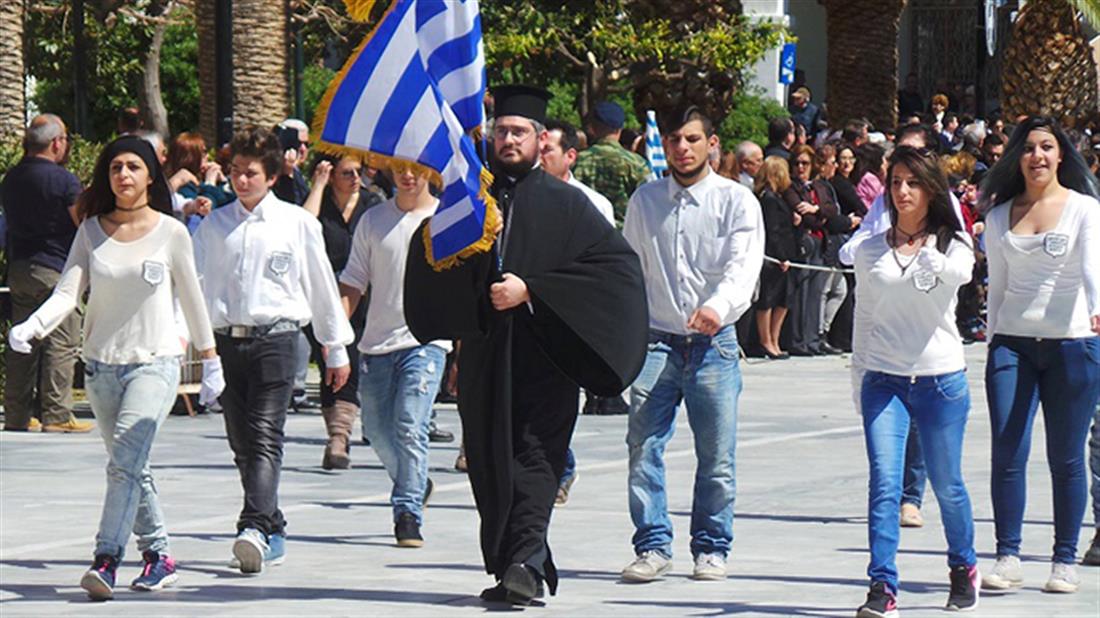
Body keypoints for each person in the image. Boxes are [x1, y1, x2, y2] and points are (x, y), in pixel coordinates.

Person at [404, 84, 648, 605]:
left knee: (537, 458)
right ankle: (517, 562)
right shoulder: (471, 203)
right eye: (501, 131)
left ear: (541, 140)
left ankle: (523, 563)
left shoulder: (569, 205)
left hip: (546, 355)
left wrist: (532, 289)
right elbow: (436, 257)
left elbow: (615, 270)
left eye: (519, 132)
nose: (509, 139)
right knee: (490, 462)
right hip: (485, 356)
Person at [8, 136, 224, 600]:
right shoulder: (90, 231)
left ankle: (105, 558)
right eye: (115, 169)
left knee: (124, 462)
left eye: (133, 167)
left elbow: (192, 296)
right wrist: (33, 325)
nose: (123, 175)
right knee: (130, 465)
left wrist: (211, 361)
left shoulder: (172, 232)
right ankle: (159, 556)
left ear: (150, 176)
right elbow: (69, 292)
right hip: (102, 369)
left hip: (155, 364)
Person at [192, 125, 354, 574]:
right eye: (236, 172)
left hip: (279, 340)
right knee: (242, 442)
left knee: (266, 434)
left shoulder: (297, 223)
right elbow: (198, 287)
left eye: (252, 173)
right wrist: (194, 342)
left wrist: (334, 348)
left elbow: (320, 285)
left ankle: (253, 527)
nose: (243, 181)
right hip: (228, 342)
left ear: (272, 176)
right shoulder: (214, 225)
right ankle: (273, 522)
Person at [620, 105, 763, 583]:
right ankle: (653, 544)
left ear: (712, 144)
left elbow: (743, 267)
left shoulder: (736, 202)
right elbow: (631, 269)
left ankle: (711, 546)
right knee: (643, 446)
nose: (683, 148)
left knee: (716, 454)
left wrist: (717, 308)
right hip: (657, 342)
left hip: (713, 345)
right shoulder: (645, 201)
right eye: (676, 139)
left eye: (693, 139)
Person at [853, 146, 979, 617]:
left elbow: (962, 275)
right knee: (885, 483)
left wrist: (935, 262)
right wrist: (858, 375)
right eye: (896, 182)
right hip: (884, 381)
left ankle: (963, 566)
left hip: (940, 381)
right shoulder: (870, 251)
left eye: (912, 182)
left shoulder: (952, 244)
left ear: (930, 189)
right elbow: (864, 317)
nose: (902, 191)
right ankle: (882, 586)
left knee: (947, 485)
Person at [978, 116, 1100, 594]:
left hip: (1073, 344)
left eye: (1047, 147)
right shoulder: (997, 215)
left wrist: (1097, 311)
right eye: (1028, 148)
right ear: (1016, 157)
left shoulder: (1085, 210)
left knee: (1066, 457)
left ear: (1061, 156)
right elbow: (999, 286)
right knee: (1007, 452)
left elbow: (1092, 268)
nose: (1038, 156)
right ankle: (1008, 555)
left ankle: (1064, 559)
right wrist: (992, 338)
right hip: (1012, 344)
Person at [338, 163, 450, 546]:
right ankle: (415, 480)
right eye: (400, 168)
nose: (408, 176)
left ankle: (407, 512)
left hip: (427, 343)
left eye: (416, 169)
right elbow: (354, 280)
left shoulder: (444, 219)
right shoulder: (374, 220)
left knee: (409, 424)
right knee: (376, 431)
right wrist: (336, 336)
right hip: (378, 342)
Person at [1, 114, 92, 433]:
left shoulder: (11, 178)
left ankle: (16, 415)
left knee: (23, 341)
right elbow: (82, 221)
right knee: (60, 341)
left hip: (20, 268)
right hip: (55, 268)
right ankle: (56, 415)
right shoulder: (63, 180)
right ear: (56, 143)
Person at [302, 154, 382, 469]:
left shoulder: (372, 204)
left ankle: (349, 431)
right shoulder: (318, 204)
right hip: (322, 295)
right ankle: (337, 434)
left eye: (358, 173)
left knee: (354, 359)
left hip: (364, 296)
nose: (354, 179)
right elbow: (304, 228)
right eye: (347, 173)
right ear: (331, 175)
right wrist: (318, 185)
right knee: (330, 364)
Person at [573, 100, 652, 226]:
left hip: (584, 233)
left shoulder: (576, 161)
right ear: (619, 129)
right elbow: (648, 202)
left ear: (593, 128)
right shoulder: (636, 163)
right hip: (623, 236)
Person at [754, 156, 797, 360]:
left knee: (783, 299)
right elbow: (772, 230)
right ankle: (766, 341)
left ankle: (775, 339)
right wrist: (780, 256)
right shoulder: (768, 198)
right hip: (772, 257)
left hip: (785, 254)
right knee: (768, 299)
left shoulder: (777, 197)